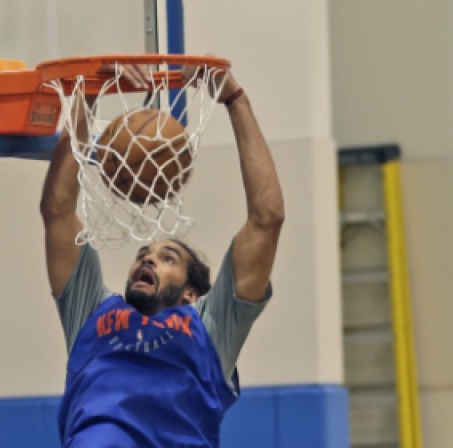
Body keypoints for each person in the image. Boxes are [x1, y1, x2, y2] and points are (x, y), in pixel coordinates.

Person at [39, 63, 285, 447]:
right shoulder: (90, 310)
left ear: (191, 293)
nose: (148, 259)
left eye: (168, 258)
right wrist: (90, 92)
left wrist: (236, 101)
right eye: (144, 254)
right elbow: (57, 210)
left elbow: (267, 219)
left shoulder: (212, 327)